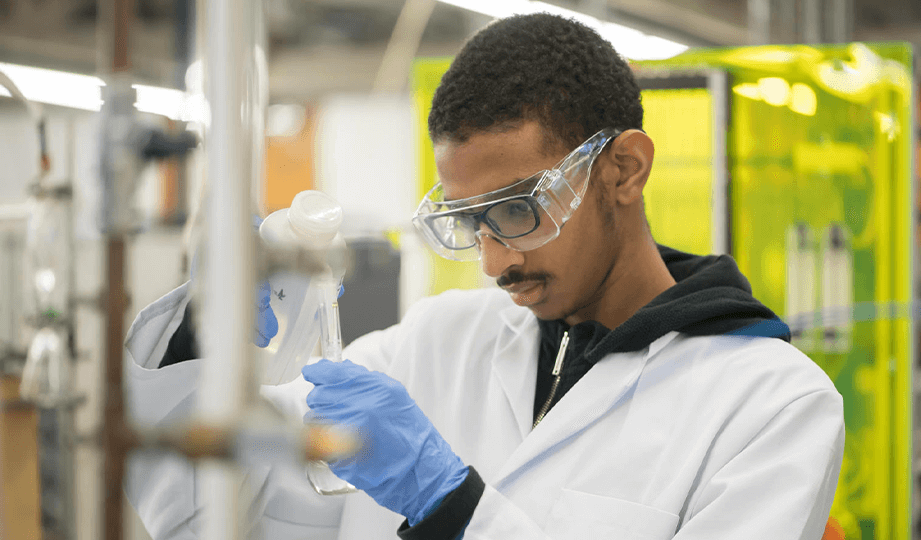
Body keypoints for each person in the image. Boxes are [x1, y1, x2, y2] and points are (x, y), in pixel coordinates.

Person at [124, 12, 844, 540]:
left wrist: (448, 507)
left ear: (624, 169)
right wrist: (198, 335)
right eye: (471, 222)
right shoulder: (436, 344)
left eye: (520, 210)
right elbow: (215, 502)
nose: (497, 261)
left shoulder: (772, 407)